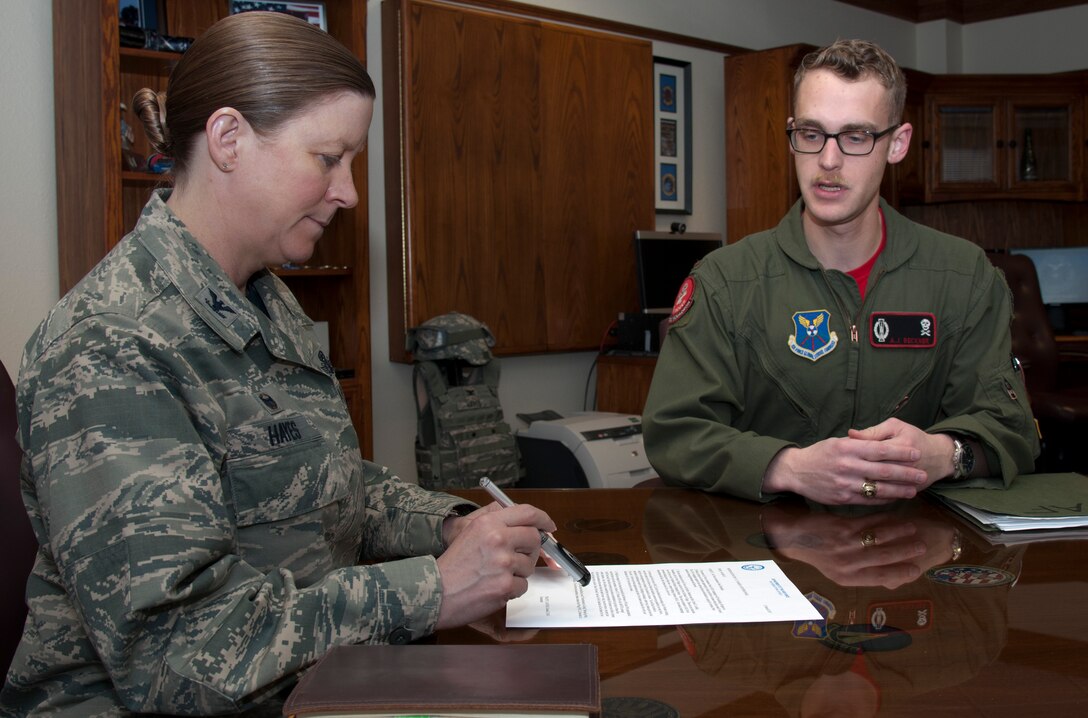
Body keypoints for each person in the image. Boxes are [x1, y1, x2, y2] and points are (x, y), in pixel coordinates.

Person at [2, 12, 556, 716]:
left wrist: (448, 529)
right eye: (328, 158)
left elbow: (322, 487)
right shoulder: (111, 346)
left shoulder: (267, 299)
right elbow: (176, 655)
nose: (349, 192)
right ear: (228, 139)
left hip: (315, 686)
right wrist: (434, 589)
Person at [643, 39, 1039, 504]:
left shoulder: (965, 276)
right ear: (792, 134)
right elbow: (673, 433)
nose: (828, 161)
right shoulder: (726, 281)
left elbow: (1012, 429)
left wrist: (943, 454)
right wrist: (787, 467)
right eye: (812, 135)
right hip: (765, 549)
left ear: (897, 144)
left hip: (918, 550)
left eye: (856, 137)